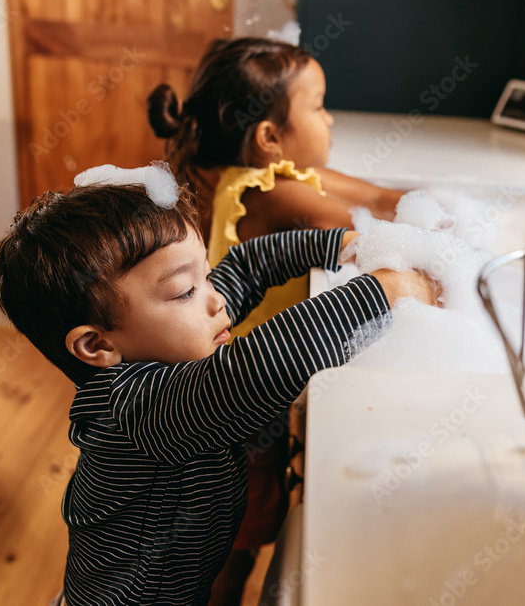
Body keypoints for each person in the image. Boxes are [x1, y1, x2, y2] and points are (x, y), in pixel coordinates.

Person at [0, 174, 437, 606]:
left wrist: (341, 245)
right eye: (184, 290)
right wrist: (387, 290)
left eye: (203, 274)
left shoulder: (181, 334)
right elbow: (256, 369)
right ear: (97, 344)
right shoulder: (137, 409)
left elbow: (247, 264)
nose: (215, 298)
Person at [147, 37, 408, 601]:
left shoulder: (249, 174)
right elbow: (384, 236)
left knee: (228, 539)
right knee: (234, 544)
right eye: (318, 106)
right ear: (269, 137)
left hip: (238, 396)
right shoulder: (271, 195)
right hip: (245, 408)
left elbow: (383, 197)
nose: (330, 117)